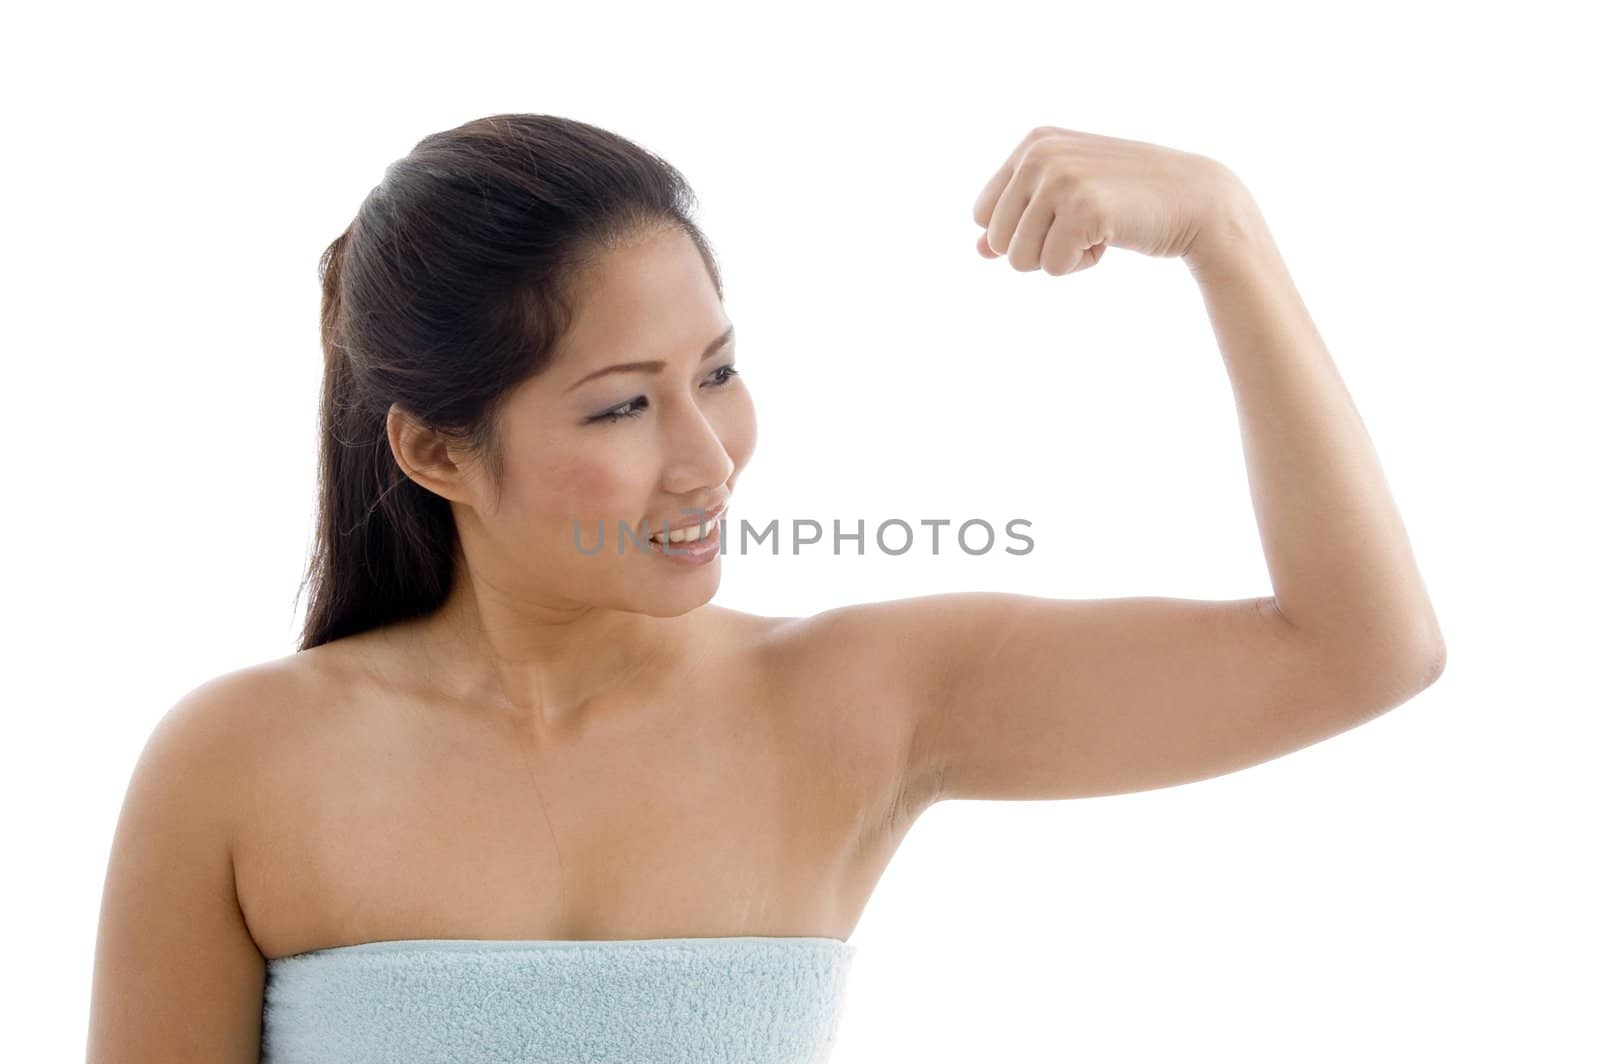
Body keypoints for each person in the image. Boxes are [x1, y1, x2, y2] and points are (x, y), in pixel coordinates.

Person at [86, 115, 1446, 1062]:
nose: (708, 460)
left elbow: (1359, 649)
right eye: (622, 407)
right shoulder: (240, 764)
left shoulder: (852, 703)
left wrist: (1227, 230)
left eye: (719, 374)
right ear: (437, 450)